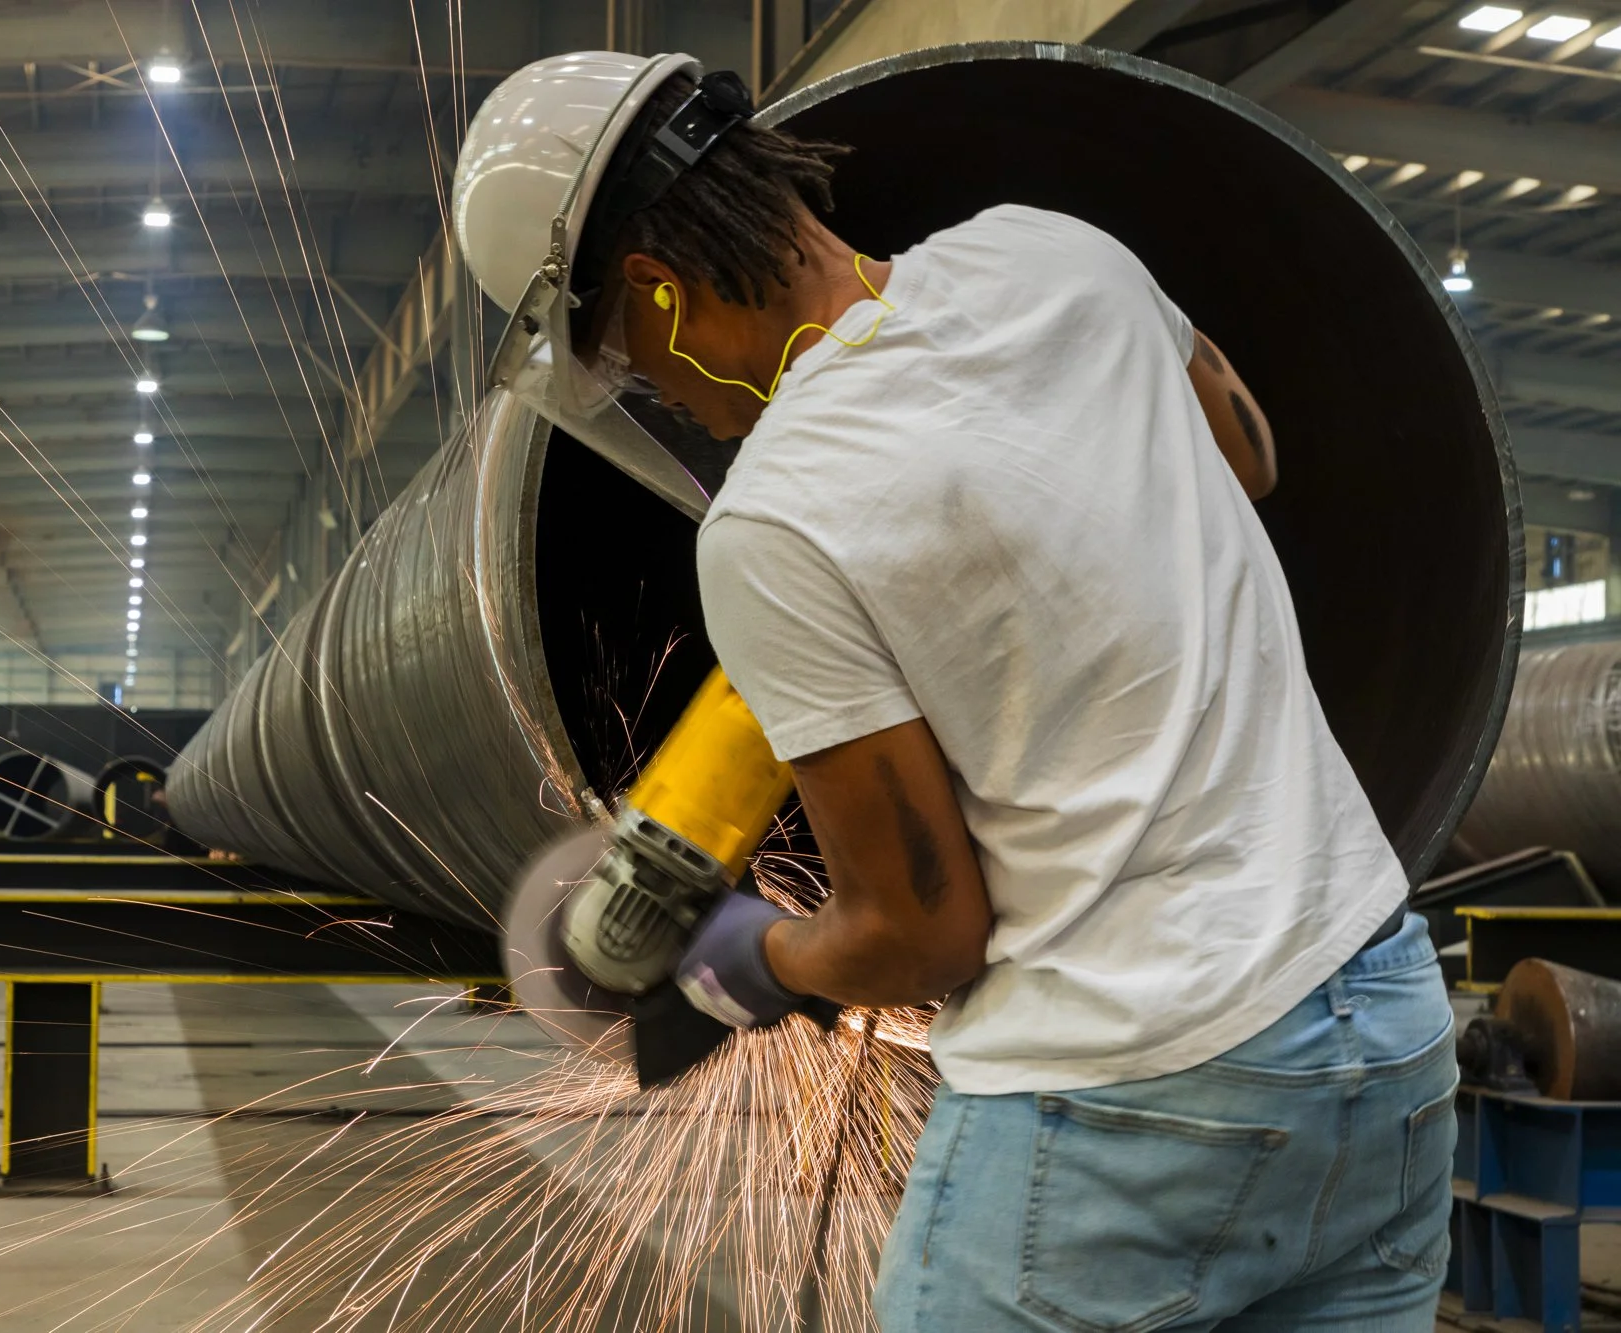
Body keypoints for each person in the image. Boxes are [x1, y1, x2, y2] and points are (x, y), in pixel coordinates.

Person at [453, 53, 1457, 1331]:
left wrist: (748, 961)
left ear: (656, 294)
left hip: (1125, 1088)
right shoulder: (1055, 254)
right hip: (1379, 1018)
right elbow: (1245, 461)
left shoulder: (775, 520)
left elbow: (920, 934)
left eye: (635, 370)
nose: (674, 407)